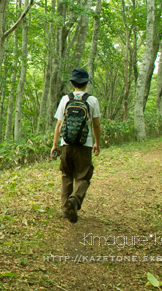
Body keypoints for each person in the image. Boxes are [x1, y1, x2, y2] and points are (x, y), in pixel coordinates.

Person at [50, 68, 101, 223]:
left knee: (66, 175)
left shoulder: (66, 99)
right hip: (84, 145)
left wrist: (55, 145)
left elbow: (59, 124)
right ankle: (75, 199)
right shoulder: (92, 100)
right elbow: (96, 124)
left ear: (72, 83)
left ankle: (66, 209)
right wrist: (97, 143)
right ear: (86, 84)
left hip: (66, 144)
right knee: (83, 175)